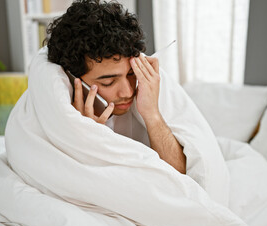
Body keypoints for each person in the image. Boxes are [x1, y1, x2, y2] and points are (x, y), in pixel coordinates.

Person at [46, 0, 186, 174]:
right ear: (75, 80)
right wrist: (88, 137)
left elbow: (181, 178)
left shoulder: (146, 85)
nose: (128, 92)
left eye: (131, 74)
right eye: (108, 82)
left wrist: (152, 115)